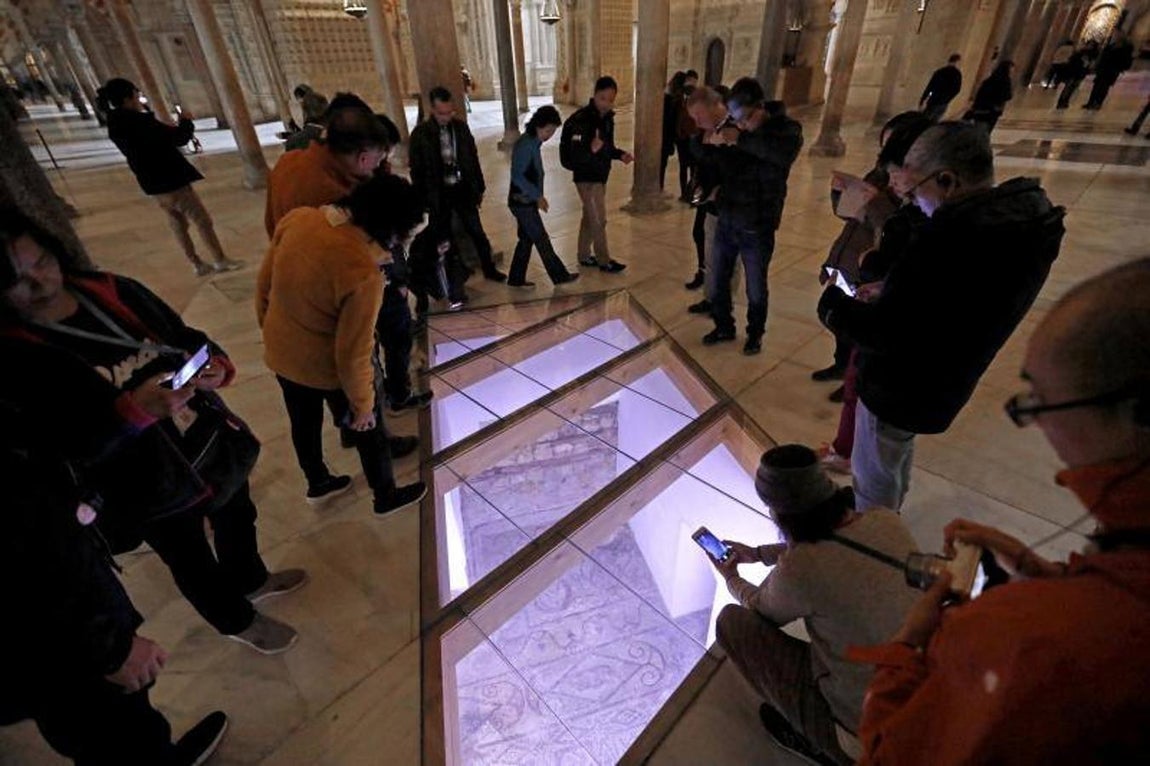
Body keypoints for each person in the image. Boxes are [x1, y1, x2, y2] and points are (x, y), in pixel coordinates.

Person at [850, 258, 1150, 764]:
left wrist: (909, 644)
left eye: (1041, 405)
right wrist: (1043, 575)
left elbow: (889, 754)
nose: (1037, 428)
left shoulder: (1024, 642)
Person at [0, 210, 303, 655]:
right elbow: (57, 451)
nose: (43, 281)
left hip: (204, 440)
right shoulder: (17, 359)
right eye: (19, 280)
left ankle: (251, 579)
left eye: (43, 261)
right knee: (190, 558)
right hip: (143, 485)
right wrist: (132, 413)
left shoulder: (110, 290)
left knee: (238, 512)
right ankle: (235, 619)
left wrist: (215, 367)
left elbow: (183, 335)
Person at [817, 122, 1065, 513]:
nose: (914, 204)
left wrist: (832, 304)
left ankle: (876, 543)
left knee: (875, 480)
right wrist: (894, 289)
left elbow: (888, 333)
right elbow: (951, 302)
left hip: (902, 385)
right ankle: (890, 515)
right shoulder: (1020, 223)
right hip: (942, 381)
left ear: (946, 180)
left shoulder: (949, 241)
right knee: (895, 458)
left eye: (916, 193)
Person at [1, 403, 230, 766]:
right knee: (110, 734)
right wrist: (110, 647)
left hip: (64, 625)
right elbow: (23, 563)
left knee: (122, 728)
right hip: (56, 646)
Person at [713, 444, 919, 766]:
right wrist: (758, 553)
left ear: (777, 514)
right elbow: (834, 545)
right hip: (927, 704)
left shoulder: (801, 569)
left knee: (731, 623)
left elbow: (758, 609)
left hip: (865, 736)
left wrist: (731, 578)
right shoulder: (886, 520)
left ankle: (822, 745)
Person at [258, 173, 428, 517]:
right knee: (369, 430)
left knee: (302, 423)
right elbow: (354, 352)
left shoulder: (300, 218)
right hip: (326, 367)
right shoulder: (362, 272)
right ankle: (385, 495)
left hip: (282, 353)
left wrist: (275, 332)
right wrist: (364, 406)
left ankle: (317, 482)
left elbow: (264, 286)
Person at [815, 112, 933, 469]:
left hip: (879, 296)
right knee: (844, 336)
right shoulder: (885, 176)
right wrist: (842, 194)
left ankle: (850, 454)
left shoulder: (920, 207)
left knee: (868, 401)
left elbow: (891, 228)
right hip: (856, 263)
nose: (889, 169)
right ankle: (845, 445)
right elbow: (852, 216)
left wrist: (875, 204)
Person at [97, 78, 239, 277]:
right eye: (136, 96)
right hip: (171, 180)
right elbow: (178, 138)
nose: (139, 100)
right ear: (127, 99)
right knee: (202, 220)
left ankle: (196, 264)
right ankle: (219, 260)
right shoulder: (139, 122)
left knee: (177, 224)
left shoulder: (114, 124)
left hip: (152, 184)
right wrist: (186, 121)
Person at [704, 79, 803, 355]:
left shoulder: (787, 130)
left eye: (747, 118)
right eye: (737, 120)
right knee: (719, 280)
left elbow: (778, 156)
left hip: (757, 224)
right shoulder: (739, 131)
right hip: (729, 217)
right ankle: (723, 326)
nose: (743, 124)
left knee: (756, 286)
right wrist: (711, 145)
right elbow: (726, 167)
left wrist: (741, 139)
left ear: (761, 107)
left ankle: (755, 333)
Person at [410, 85, 506, 305]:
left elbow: (472, 158)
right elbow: (417, 170)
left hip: (461, 190)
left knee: (476, 231)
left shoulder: (460, 129)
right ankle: (448, 282)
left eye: (450, 111)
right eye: (442, 113)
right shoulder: (421, 135)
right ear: (432, 110)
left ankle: (489, 269)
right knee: (442, 239)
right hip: (438, 194)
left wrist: (478, 187)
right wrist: (423, 198)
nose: (447, 117)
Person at [265, 94, 395, 237]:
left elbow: (271, 224)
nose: (376, 167)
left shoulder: (286, 161)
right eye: (377, 159)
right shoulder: (334, 198)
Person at [559, 75, 634, 274]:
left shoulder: (607, 119)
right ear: (594, 95)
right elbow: (572, 158)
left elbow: (607, 146)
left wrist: (620, 155)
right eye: (603, 98)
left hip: (600, 175)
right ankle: (604, 260)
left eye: (610, 99)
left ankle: (583, 255)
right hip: (586, 178)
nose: (606, 104)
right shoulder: (580, 120)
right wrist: (590, 150)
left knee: (589, 217)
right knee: (599, 219)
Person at [507, 105, 580, 288]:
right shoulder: (526, 145)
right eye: (548, 130)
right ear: (538, 126)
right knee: (541, 239)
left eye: (553, 131)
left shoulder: (533, 141)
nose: (550, 135)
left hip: (525, 201)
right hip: (521, 202)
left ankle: (515, 279)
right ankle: (560, 276)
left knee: (526, 239)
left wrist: (537, 196)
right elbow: (518, 176)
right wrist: (537, 196)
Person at [684, 84, 738, 317]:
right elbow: (699, 157)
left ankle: (723, 305)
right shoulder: (705, 132)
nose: (696, 121)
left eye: (699, 115)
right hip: (711, 205)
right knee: (710, 255)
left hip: (732, 207)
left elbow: (739, 171)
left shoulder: (736, 129)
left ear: (716, 106)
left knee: (728, 261)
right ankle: (709, 298)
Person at [1083, 32, 1135, 110]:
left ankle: (1097, 103)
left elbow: (1126, 61)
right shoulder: (1111, 46)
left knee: (1104, 87)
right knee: (1096, 86)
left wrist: (1119, 68)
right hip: (1103, 69)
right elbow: (1103, 56)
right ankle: (1091, 102)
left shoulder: (1125, 49)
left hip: (1111, 71)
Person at [965, 60, 1013, 133]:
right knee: (986, 131)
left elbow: (980, 93)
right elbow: (1008, 95)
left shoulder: (990, 79)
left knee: (977, 129)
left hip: (981, 108)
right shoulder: (1006, 81)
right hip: (993, 110)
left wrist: (975, 106)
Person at [918, 54, 963, 122]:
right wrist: (947, 99)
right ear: (957, 62)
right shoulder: (957, 74)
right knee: (935, 122)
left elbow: (930, 88)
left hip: (933, 100)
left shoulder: (939, 72)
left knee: (924, 121)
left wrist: (924, 99)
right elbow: (956, 90)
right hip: (943, 103)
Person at [1056, 43, 1097, 109]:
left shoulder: (1091, 55)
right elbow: (1072, 60)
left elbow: (1090, 65)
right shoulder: (1080, 53)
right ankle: (1061, 102)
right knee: (1068, 87)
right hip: (1074, 71)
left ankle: (1065, 101)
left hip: (1080, 73)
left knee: (1072, 88)